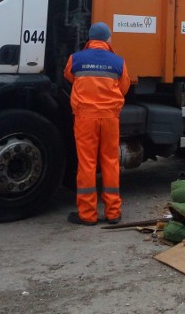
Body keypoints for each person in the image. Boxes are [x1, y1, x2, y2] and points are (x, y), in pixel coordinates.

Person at [64, 22, 130, 226]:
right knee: (110, 162)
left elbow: (69, 77)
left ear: (90, 39)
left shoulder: (76, 59)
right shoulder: (118, 61)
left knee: (87, 164)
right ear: (107, 39)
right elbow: (124, 87)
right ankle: (113, 213)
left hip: (85, 118)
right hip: (110, 118)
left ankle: (87, 215)